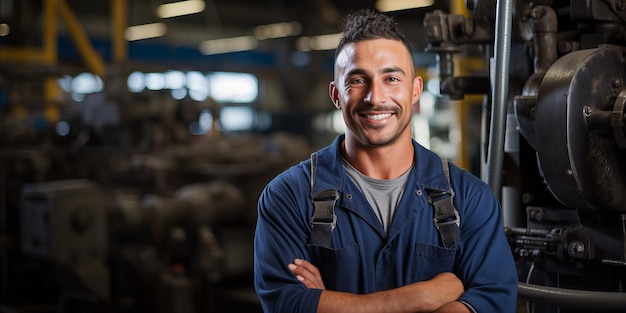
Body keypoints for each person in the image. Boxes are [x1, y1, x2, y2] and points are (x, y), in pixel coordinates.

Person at [253, 8, 518, 313]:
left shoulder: (468, 197)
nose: (375, 97)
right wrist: (425, 296)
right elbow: (287, 304)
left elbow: (495, 301)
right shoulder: (288, 196)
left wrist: (332, 303)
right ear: (336, 95)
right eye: (357, 80)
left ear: (415, 90)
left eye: (391, 78)